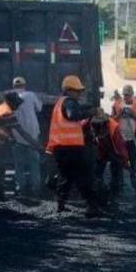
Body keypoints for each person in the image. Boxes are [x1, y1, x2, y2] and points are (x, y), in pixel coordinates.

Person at [46, 75, 103, 216]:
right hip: (71, 149)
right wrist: (92, 112)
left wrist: (88, 110)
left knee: (65, 177)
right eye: (77, 91)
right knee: (84, 176)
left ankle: (60, 205)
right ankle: (92, 207)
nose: (79, 93)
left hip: (62, 148)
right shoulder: (69, 102)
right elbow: (73, 115)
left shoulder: (62, 102)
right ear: (68, 90)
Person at [0, 91, 43, 202]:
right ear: (9, 102)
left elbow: (7, 127)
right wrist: (38, 147)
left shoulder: (1, 108)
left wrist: (12, 139)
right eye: (16, 103)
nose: (18, 105)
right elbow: (23, 133)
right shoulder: (7, 113)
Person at [11, 76, 43, 198]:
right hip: (33, 136)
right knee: (34, 164)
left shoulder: (10, 98)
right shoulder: (30, 95)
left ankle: (21, 190)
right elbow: (39, 108)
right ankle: (36, 191)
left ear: (13, 86)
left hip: (17, 137)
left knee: (19, 165)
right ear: (24, 85)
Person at [111, 84, 136, 196]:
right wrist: (120, 114)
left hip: (133, 139)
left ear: (132, 95)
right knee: (118, 165)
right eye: (124, 95)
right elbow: (112, 120)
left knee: (135, 165)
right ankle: (117, 190)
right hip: (120, 140)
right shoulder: (116, 105)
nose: (126, 97)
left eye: (128, 95)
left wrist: (132, 113)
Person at [90, 109, 129, 201]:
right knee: (97, 171)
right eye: (96, 123)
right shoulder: (91, 125)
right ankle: (97, 192)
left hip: (114, 150)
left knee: (116, 170)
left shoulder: (114, 127)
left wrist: (124, 160)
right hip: (101, 149)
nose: (98, 125)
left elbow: (121, 147)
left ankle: (114, 195)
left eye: (100, 123)